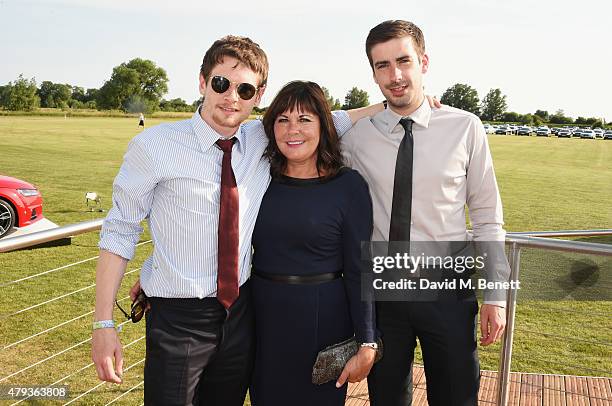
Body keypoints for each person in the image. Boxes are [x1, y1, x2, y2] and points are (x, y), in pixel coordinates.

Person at [92, 35, 381, 406]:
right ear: (202, 82)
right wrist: (103, 323)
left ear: (258, 96)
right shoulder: (154, 147)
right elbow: (120, 231)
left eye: (245, 89)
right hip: (180, 318)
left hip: (243, 314)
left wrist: (398, 104)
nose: (232, 97)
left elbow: (329, 120)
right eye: (221, 83)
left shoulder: (262, 137)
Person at [341, 20, 510, 406]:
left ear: (424, 61)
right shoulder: (356, 135)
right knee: (386, 399)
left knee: (456, 397)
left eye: (404, 61)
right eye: (382, 65)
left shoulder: (466, 127)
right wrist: (371, 109)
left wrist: (496, 295)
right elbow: (307, 125)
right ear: (372, 72)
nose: (395, 75)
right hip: (382, 293)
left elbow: (487, 215)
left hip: (447, 291)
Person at [249, 81, 378, 406]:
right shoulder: (258, 177)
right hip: (262, 320)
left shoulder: (348, 186)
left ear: (324, 125)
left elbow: (360, 268)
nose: (293, 130)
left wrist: (367, 341)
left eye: (305, 119)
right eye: (283, 120)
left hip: (323, 323)